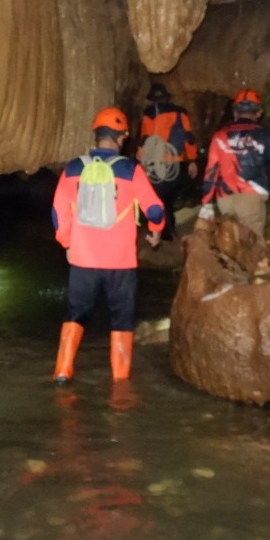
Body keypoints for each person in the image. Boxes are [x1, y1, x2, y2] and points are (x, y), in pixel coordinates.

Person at [50, 107, 166, 386]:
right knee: (122, 318)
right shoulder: (130, 170)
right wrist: (155, 232)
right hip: (120, 262)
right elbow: (155, 210)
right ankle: (120, 381)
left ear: (96, 134)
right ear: (121, 137)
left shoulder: (74, 168)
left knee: (76, 314)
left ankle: (63, 372)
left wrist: (67, 242)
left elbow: (57, 213)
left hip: (83, 259)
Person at [200, 89, 270, 240]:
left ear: (235, 112)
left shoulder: (219, 137)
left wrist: (206, 203)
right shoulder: (265, 136)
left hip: (225, 200)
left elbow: (211, 172)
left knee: (233, 241)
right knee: (253, 244)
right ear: (258, 113)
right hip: (251, 196)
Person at [138, 82, 198, 240]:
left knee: (158, 200)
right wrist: (192, 160)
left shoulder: (150, 113)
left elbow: (145, 139)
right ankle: (169, 233)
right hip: (177, 165)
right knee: (167, 201)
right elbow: (188, 138)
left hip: (159, 165)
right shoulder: (181, 113)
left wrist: (142, 163)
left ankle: (165, 236)